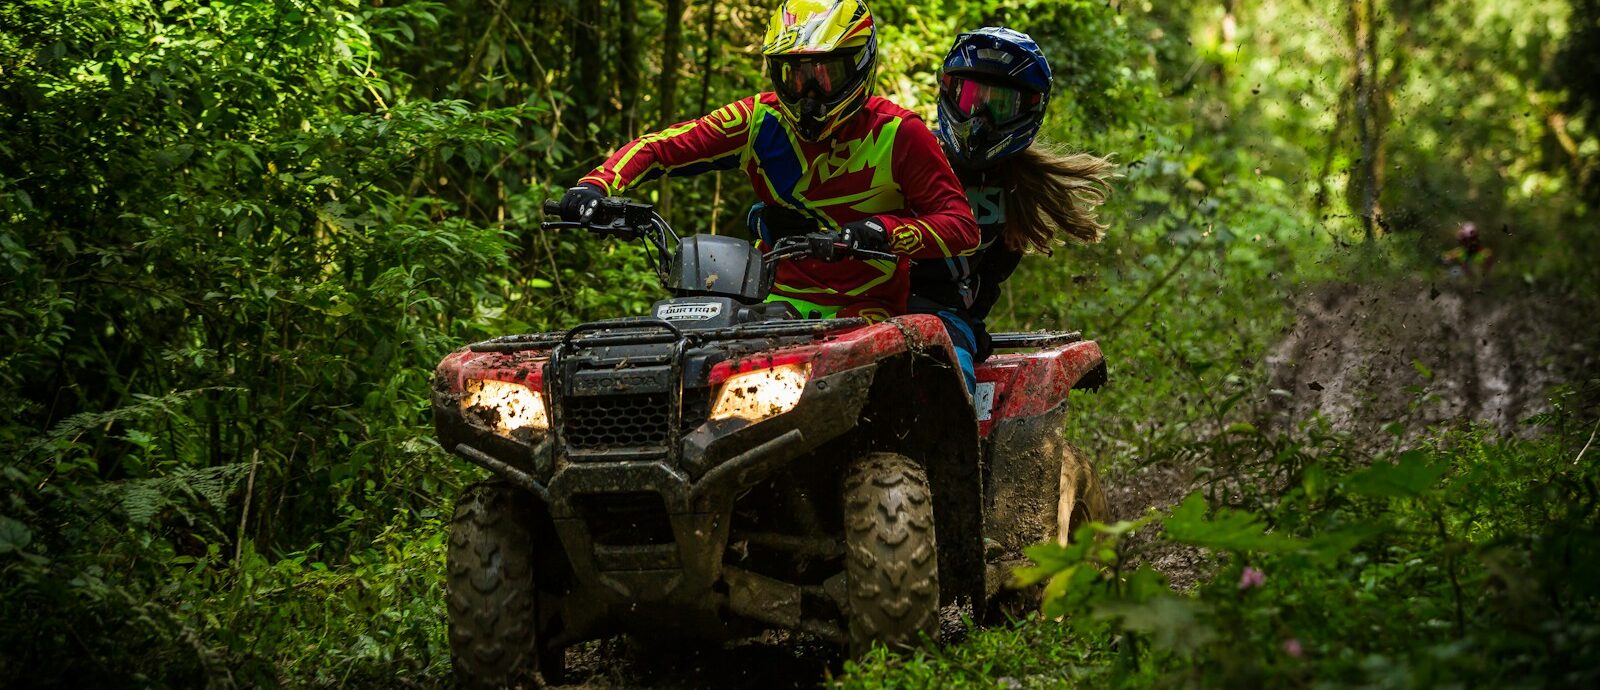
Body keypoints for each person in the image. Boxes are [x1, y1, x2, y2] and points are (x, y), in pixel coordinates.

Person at [559, 0, 979, 323]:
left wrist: (881, 232)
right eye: (795, 76)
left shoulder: (899, 133)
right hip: (768, 300)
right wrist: (595, 186)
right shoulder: (758, 121)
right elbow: (662, 147)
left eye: (824, 74)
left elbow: (961, 226)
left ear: (860, 66)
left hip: (868, 310)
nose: (808, 94)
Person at [760, 27, 1115, 394]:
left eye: (1000, 105)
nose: (981, 119)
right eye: (971, 99)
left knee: (946, 385)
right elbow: (816, 200)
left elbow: (989, 278)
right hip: (853, 303)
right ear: (947, 91)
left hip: (938, 318)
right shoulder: (906, 152)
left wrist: (970, 320)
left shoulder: (1019, 188)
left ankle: (957, 449)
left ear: (1029, 109)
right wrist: (773, 219)